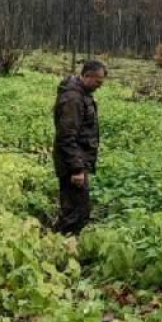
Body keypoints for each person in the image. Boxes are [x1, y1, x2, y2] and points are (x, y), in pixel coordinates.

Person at [52, 59, 106, 234]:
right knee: (75, 213)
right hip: (71, 164)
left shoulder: (82, 94)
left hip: (76, 161)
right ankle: (63, 248)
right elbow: (66, 136)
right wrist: (76, 169)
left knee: (78, 209)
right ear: (87, 75)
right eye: (98, 81)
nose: (100, 85)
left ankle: (65, 244)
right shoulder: (73, 99)